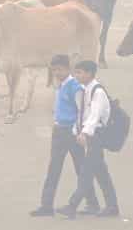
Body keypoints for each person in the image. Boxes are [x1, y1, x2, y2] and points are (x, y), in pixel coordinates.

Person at [31, 55, 100, 217]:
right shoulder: (61, 85)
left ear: (68, 69)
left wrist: (80, 132)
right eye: (54, 70)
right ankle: (46, 205)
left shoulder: (75, 87)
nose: (56, 73)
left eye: (60, 69)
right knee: (53, 169)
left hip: (72, 132)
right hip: (59, 131)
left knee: (81, 169)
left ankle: (92, 203)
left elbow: (82, 112)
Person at [57, 61, 119, 219]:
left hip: (96, 135)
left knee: (86, 172)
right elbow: (82, 113)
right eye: (76, 72)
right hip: (91, 134)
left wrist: (85, 133)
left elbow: (94, 116)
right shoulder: (86, 89)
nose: (77, 75)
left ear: (90, 74)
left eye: (80, 73)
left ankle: (72, 205)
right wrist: (77, 130)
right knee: (101, 173)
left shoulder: (97, 91)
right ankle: (112, 206)